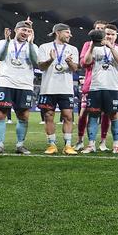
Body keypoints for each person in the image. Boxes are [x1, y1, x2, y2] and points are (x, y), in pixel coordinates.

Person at [0, 20, 38, 155]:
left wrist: (30, 43)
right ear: (16, 30)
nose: (26, 33)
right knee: (0, 114)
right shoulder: (4, 43)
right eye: (23, 30)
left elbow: (35, 62)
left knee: (23, 115)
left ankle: (20, 145)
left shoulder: (33, 46)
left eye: (28, 31)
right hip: (6, 82)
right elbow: (0, 57)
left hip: (25, 84)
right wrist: (6, 41)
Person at [81, 24, 118, 154]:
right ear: (103, 35)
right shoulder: (96, 49)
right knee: (93, 116)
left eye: (112, 34)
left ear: (116, 36)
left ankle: (116, 145)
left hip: (112, 88)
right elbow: (87, 62)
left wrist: (111, 47)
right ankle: (91, 145)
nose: (109, 36)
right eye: (107, 34)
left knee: (114, 116)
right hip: (95, 87)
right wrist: (91, 45)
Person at [37, 23, 79, 155]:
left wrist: (69, 62)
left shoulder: (73, 49)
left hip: (66, 89)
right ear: (58, 32)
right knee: (48, 116)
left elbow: (75, 69)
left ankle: (68, 146)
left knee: (68, 116)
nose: (70, 35)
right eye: (67, 32)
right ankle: (52, 145)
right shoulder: (44, 47)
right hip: (48, 88)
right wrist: (50, 59)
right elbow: (41, 67)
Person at [74, 20, 111, 151]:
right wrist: (92, 47)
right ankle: (80, 140)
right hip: (90, 84)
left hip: (107, 85)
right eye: (98, 28)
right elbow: (83, 63)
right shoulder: (87, 45)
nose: (100, 31)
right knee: (84, 113)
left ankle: (103, 142)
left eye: (102, 29)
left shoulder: (113, 45)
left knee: (106, 114)